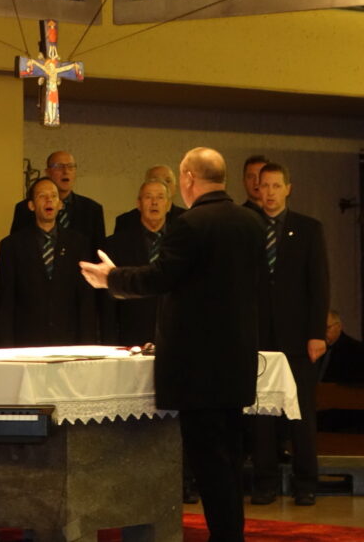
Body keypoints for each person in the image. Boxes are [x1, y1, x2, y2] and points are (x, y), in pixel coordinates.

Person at [80, 147, 265, 542]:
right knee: (229, 458)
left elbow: (160, 278)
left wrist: (111, 278)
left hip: (197, 366)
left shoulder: (191, 224)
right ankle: (231, 533)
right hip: (236, 360)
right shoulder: (251, 222)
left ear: (186, 179)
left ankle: (225, 536)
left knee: (208, 461)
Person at [250, 163, 329, 506]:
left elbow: (319, 284)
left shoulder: (308, 228)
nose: (268, 193)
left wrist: (317, 333)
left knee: (301, 414)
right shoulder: (248, 228)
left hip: (298, 338)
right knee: (262, 415)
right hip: (258, 337)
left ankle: (306, 482)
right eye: (263, 186)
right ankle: (264, 482)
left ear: (288, 189)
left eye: (275, 186)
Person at [0, 177, 95, 347]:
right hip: (26, 342)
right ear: (31, 205)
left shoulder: (78, 244)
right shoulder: (12, 245)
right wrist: (5, 348)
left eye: (54, 196)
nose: (49, 200)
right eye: (42, 196)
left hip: (68, 342)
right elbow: (5, 303)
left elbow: (86, 301)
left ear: (60, 204)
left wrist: (88, 345)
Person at [102, 179, 172, 345]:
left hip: (173, 335)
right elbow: (109, 300)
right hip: (130, 336)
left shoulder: (180, 243)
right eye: (148, 197)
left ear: (168, 205)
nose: (154, 202)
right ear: (138, 204)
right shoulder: (117, 244)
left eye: (160, 197)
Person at [10, 151, 105, 250]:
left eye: (70, 166)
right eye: (59, 166)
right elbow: (15, 247)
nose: (66, 171)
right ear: (48, 172)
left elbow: (99, 251)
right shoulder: (25, 208)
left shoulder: (92, 209)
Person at [112, 165, 185, 234]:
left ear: (176, 187)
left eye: (168, 181)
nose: (162, 184)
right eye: (155, 180)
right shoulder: (126, 220)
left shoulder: (187, 219)